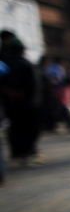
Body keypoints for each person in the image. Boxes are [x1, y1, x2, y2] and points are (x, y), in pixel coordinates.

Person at [0, 38, 43, 166]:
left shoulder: (9, 65)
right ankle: (26, 152)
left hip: (16, 103)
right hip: (28, 103)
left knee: (18, 130)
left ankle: (21, 153)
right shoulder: (24, 64)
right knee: (26, 130)